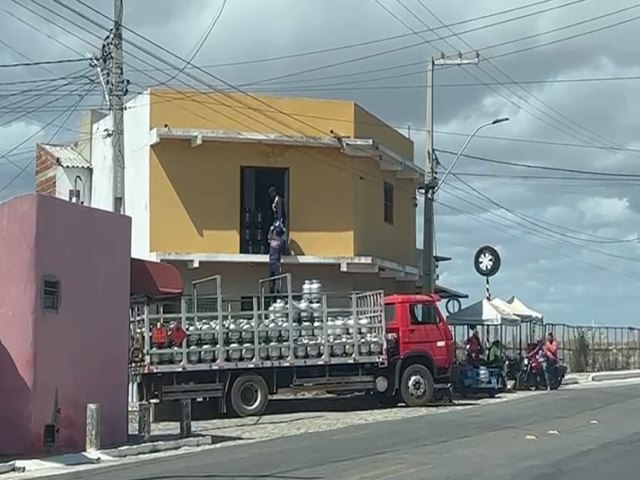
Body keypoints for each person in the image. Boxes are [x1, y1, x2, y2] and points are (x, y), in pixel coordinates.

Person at [267, 225, 285, 295]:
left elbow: (269, 235)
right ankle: (278, 292)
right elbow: (283, 248)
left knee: (272, 278)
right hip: (277, 262)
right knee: (278, 278)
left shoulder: (272, 239)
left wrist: (272, 227)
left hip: (271, 261)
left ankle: (271, 292)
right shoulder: (281, 241)